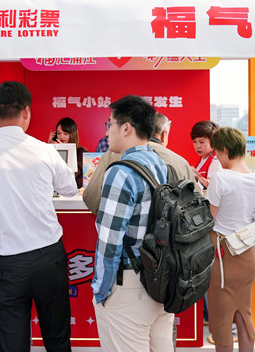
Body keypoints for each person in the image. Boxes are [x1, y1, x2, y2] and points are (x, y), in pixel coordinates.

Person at [0, 81, 77, 352]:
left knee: (12, 346)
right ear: (26, 112)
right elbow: (69, 188)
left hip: (4, 265)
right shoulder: (45, 150)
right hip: (48, 258)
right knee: (57, 340)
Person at [92, 95, 173, 351]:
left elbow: (110, 240)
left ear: (126, 127)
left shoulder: (120, 172)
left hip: (129, 285)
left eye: (110, 124)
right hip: (161, 281)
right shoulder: (161, 164)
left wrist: (102, 290)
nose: (108, 131)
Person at [206, 127, 255, 352]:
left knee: (221, 320)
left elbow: (209, 218)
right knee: (243, 313)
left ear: (225, 150)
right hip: (246, 250)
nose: (217, 158)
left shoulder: (221, 177)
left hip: (222, 253)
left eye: (217, 152)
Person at [83, 112, 198, 213]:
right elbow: (196, 205)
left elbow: (92, 199)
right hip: (168, 230)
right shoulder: (180, 162)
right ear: (164, 134)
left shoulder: (113, 155)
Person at [49, 117, 88, 188]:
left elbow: (88, 176)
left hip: (76, 192)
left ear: (72, 135)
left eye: (65, 134)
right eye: (59, 133)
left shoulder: (81, 152)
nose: (61, 137)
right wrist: (49, 146)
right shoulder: (52, 151)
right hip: (56, 191)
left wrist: (64, 150)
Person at [190, 120, 221, 189]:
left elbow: (212, 185)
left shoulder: (215, 159)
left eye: (201, 142)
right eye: (195, 142)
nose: (197, 146)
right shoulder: (203, 158)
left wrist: (196, 175)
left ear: (213, 141)